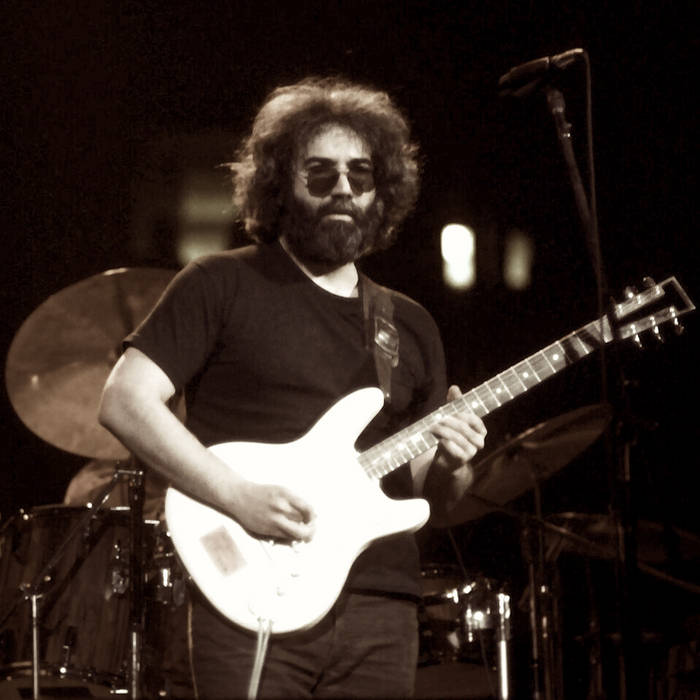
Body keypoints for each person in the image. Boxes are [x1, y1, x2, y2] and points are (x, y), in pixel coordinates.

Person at [98, 76, 487, 699]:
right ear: (280, 184)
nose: (343, 188)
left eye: (361, 175)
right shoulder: (219, 283)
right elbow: (124, 400)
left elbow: (432, 502)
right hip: (252, 594)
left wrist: (452, 464)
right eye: (320, 172)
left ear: (382, 193)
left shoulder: (409, 324)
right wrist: (237, 497)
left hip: (381, 606)